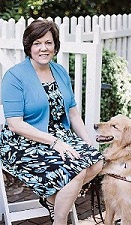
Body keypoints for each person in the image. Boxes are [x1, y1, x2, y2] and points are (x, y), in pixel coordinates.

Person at [0, 19, 104, 225]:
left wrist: (88, 143)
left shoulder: (60, 72)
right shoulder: (14, 76)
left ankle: (51, 201)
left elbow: (73, 114)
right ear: (28, 46)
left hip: (59, 136)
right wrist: (55, 142)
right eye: (37, 43)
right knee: (76, 170)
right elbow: (15, 124)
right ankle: (60, 220)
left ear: (55, 45)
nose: (43, 48)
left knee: (96, 161)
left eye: (48, 43)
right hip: (22, 141)